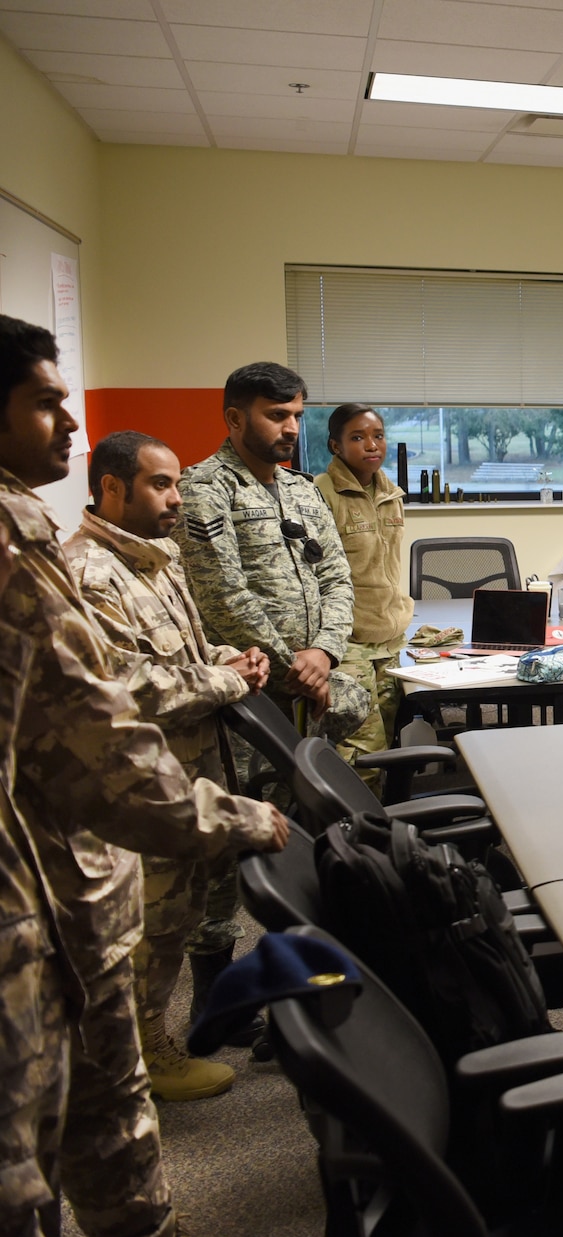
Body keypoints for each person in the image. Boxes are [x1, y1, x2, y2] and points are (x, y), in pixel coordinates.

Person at [0, 316, 291, 1237]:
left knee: (92, 1091)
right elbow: (102, 729)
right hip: (53, 873)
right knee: (22, 1157)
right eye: (43, 400)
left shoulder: (150, 560)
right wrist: (234, 813)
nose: (66, 419)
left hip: (69, 870)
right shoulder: (40, 553)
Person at [63, 432, 268, 1104]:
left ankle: (148, 1041)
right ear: (113, 489)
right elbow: (130, 689)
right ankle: (138, 1055)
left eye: (177, 483)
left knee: (174, 919)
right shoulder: (93, 574)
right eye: (160, 484)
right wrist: (227, 681)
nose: (176, 498)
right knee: (143, 929)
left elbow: (190, 649)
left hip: (188, 771)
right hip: (135, 787)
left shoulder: (155, 559)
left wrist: (231, 656)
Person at [175, 361, 366, 1020]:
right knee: (230, 849)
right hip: (246, 698)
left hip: (307, 695)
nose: (289, 428)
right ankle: (213, 1002)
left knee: (306, 840)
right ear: (234, 418)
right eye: (274, 415)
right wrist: (295, 664)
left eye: (296, 416)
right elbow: (223, 596)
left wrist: (325, 652)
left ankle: (298, 988)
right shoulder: (204, 490)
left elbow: (341, 580)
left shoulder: (302, 490)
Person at [314, 402, 412, 775]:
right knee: (362, 751)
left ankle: (385, 820)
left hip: (389, 638)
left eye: (378, 436)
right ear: (336, 446)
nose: (372, 445)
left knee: (388, 741)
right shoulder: (320, 493)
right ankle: (358, 830)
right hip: (347, 642)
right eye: (357, 437)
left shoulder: (391, 493)